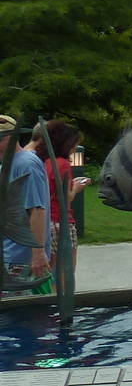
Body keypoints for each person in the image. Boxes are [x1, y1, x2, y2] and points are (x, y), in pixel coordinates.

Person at [1, 115, 52, 295]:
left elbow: (37, 209)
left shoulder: (26, 164)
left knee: (25, 316)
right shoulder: (7, 165)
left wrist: (37, 254)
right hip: (9, 255)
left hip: (21, 259)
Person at [32, 120, 89, 272]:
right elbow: (65, 199)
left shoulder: (45, 161)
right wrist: (76, 188)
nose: (75, 147)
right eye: (74, 144)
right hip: (61, 222)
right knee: (66, 270)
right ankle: (63, 296)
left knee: (49, 269)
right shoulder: (63, 164)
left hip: (47, 222)